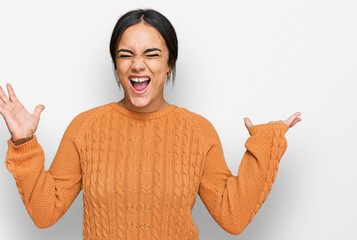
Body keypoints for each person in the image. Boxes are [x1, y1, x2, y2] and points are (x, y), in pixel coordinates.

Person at [1, 8, 301, 240]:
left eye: (152, 54)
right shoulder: (86, 127)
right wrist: (24, 143)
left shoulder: (198, 131)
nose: (137, 64)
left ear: (169, 64)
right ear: (117, 67)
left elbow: (232, 216)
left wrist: (266, 142)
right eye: (126, 55)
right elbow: (44, 213)